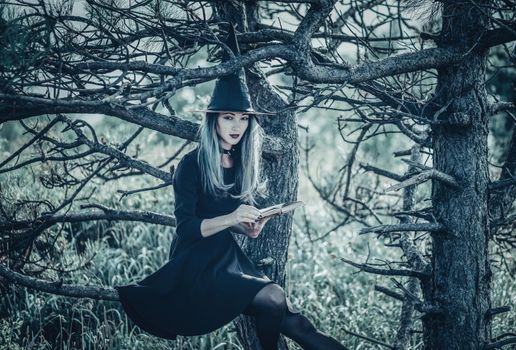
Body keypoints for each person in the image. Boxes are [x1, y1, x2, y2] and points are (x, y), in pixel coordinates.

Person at [115, 24, 348, 350]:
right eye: (228, 118)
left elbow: (240, 226)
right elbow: (187, 229)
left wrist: (251, 227)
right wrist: (232, 217)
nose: (237, 126)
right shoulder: (192, 164)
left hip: (228, 257)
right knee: (274, 298)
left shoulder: (241, 164)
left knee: (285, 312)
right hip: (194, 263)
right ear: (214, 121)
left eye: (242, 119)